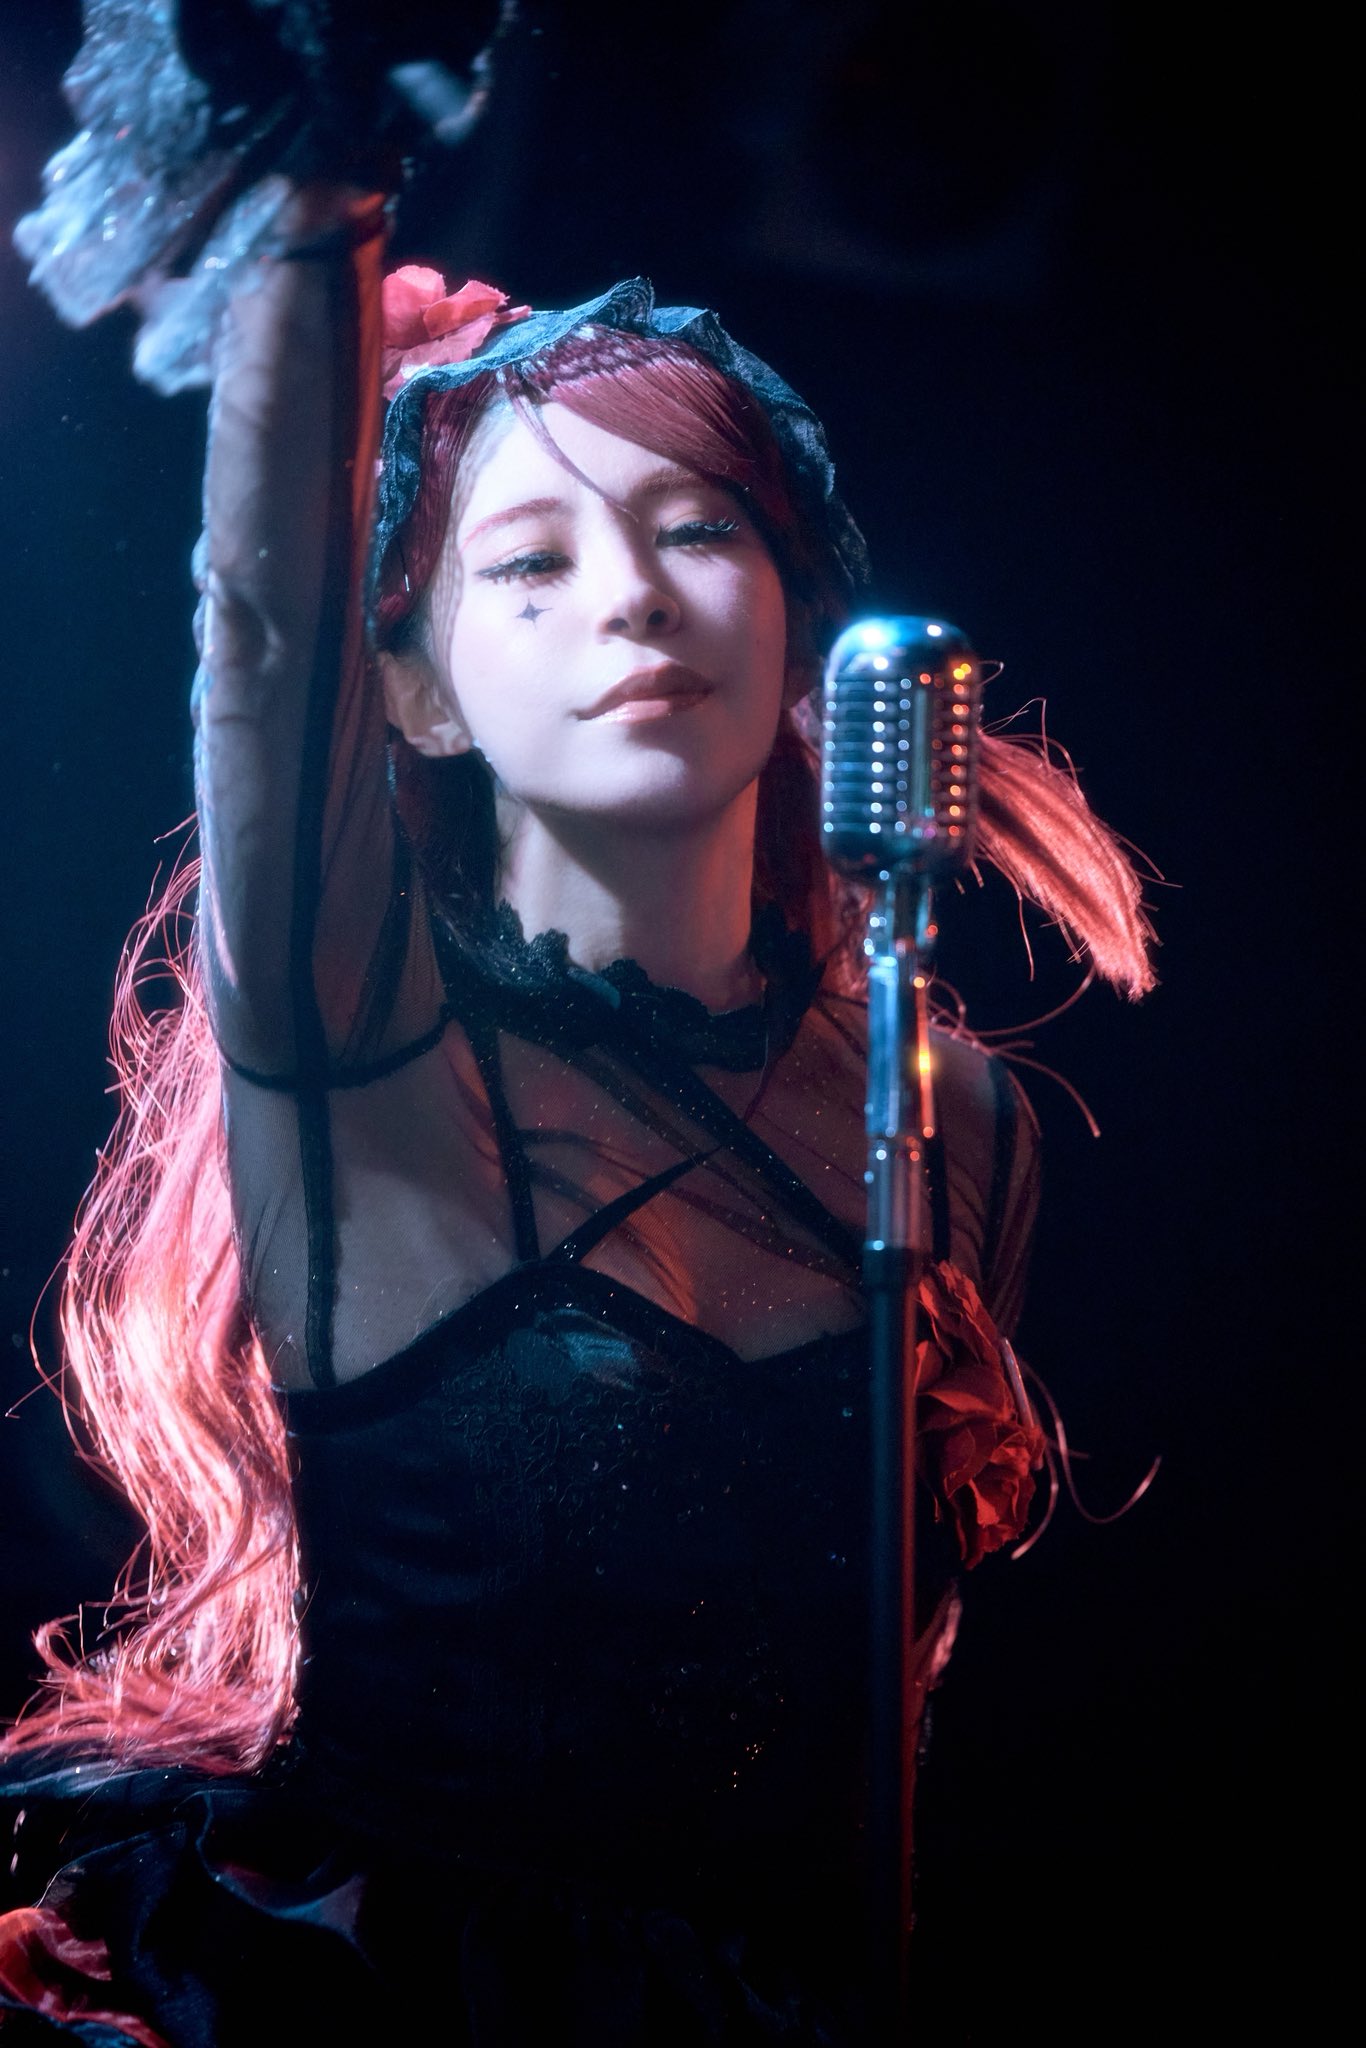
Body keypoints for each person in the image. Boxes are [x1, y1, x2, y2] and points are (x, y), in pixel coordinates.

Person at [0, 66, 1154, 2048]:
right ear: (419, 691)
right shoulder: (368, 1054)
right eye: (530, 559)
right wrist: (323, 196)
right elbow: (264, 635)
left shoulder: (948, 1114)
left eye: (699, 526)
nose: (631, 593)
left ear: (795, 618)